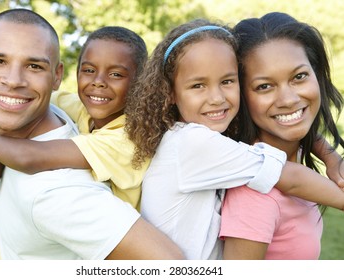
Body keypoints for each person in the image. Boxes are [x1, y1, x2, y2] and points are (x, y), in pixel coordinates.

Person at [0, 8, 183, 260]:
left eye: (34, 66)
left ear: (56, 76)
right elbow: (15, 105)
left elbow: (171, 264)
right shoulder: (71, 108)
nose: (13, 81)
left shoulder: (61, 191)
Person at [124, 18, 344, 260]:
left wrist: (328, 154)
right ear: (170, 93)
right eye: (198, 85)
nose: (217, 98)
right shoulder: (194, 142)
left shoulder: (201, 138)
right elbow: (290, 178)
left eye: (227, 81)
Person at [0, 25, 149, 210]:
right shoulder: (80, 107)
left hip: (119, 233)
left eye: (116, 74)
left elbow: (30, 157)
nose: (98, 82)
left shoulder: (128, 138)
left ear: (141, 82)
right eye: (89, 70)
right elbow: (16, 105)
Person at [219, 12, 344, 260]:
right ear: (241, 96)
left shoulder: (292, 154)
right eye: (264, 86)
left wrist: (330, 155)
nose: (288, 100)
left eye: (299, 77)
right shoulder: (256, 192)